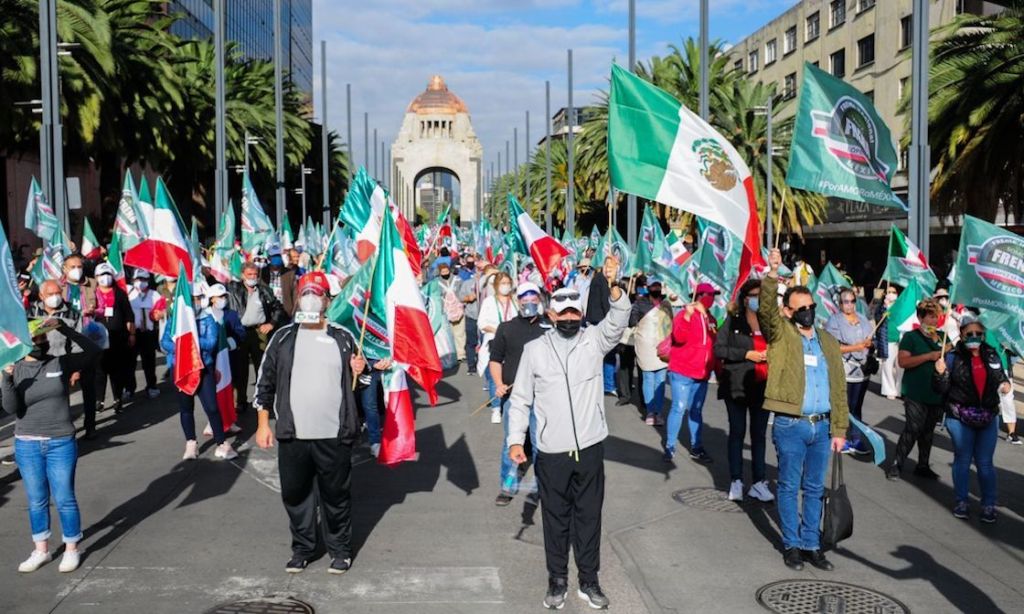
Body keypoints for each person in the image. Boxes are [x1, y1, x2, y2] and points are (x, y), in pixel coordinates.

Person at [507, 257, 629, 610]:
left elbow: (618, 319)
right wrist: (516, 440)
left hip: (590, 448)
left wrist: (614, 285)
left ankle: (588, 581)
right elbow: (520, 400)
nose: (571, 320)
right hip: (552, 452)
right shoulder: (534, 351)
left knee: (590, 519)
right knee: (556, 520)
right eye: (564, 316)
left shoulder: (593, 340)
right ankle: (557, 581)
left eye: (575, 314)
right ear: (551, 316)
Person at [254, 271, 366, 575]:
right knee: (296, 494)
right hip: (293, 435)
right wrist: (263, 424)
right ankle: (302, 549)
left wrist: (361, 365)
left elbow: (364, 381)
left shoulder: (342, 336)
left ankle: (340, 550)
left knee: (336, 495)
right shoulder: (283, 337)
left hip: (334, 434)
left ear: (328, 301)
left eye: (317, 293)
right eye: (305, 292)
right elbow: (265, 384)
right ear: (297, 299)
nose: (311, 298)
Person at [760, 248, 849, 572]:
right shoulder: (781, 334)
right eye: (801, 309)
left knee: (814, 488)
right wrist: (772, 274)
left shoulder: (826, 340)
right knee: (787, 485)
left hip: (822, 427)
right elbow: (767, 311)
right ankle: (792, 544)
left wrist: (840, 429)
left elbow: (839, 387)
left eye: (811, 307)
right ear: (789, 312)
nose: (808, 312)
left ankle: (812, 544)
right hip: (790, 425)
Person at [2, 319, 100, 573]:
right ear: (24, 343)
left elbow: (92, 352)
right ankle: (41, 550)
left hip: (60, 442)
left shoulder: (60, 362)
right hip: (27, 444)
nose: (41, 343)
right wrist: (6, 378)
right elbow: (12, 408)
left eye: (43, 339)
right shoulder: (16, 369)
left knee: (65, 498)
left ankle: (71, 549)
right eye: (35, 339)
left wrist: (63, 328)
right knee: (36, 500)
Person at [933, 312, 1009, 523]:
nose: (974, 337)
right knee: (963, 459)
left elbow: (1000, 376)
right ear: (962, 333)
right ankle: (962, 501)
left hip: (988, 415)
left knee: (985, 463)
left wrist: (1004, 384)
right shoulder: (952, 356)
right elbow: (940, 389)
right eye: (970, 333)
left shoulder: (992, 354)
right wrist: (940, 374)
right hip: (959, 416)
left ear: (983, 334)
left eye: (978, 333)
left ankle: (988, 504)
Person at [161, 284, 238, 461]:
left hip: (204, 368)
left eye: (197, 299)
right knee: (186, 408)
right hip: (182, 370)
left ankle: (221, 443)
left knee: (212, 407)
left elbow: (211, 343)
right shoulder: (175, 321)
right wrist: (182, 346)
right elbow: (165, 343)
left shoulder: (207, 319)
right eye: (191, 299)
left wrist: (189, 341)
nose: (195, 302)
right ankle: (191, 443)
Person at [489, 282, 549, 506]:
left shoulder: (549, 326)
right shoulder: (506, 328)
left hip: (543, 397)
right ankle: (508, 486)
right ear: (518, 299)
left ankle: (545, 486)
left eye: (534, 296)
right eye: (525, 296)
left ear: (540, 299)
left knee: (540, 442)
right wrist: (498, 383)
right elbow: (496, 360)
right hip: (514, 397)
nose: (529, 301)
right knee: (510, 443)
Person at [714, 279, 773, 502]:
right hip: (737, 385)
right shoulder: (733, 319)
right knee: (737, 432)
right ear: (746, 298)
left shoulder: (769, 322)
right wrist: (746, 354)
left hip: (763, 386)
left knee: (759, 435)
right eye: (754, 295)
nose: (758, 299)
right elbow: (719, 348)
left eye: (761, 295)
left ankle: (758, 482)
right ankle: (736, 480)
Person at [888, 299, 947, 481]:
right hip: (915, 391)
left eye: (936, 317)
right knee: (913, 428)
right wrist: (929, 356)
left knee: (928, 430)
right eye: (930, 317)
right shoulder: (911, 337)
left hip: (936, 392)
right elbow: (903, 362)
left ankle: (923, 465)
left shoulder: (944, 338)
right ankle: (897, 463)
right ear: (921, 317)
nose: (934, 321)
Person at [663, 282, 719, 463]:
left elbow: (714, 346)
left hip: (701, 374)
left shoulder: (711, 319)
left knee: (696, 410)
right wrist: (687, 315)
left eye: (713, 296)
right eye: (709, 295)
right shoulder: (684, 314)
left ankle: (697, 447)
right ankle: (670, 446)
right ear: (700, 296)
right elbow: (679, 337)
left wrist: (717, 371)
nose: (712, 299)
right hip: (682, 371)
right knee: (678, 408)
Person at [228, 262, 287, 413]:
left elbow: (277, 308)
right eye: (249, 275)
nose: (253, 278)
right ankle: (240, 401)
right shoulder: (233, 289)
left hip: (259, 333)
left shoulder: (264, 290)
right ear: (243, 275)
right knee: (240, 370)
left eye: (255, 275)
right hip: (240, 333)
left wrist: (271, 324)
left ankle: (264, 400)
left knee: (263, 367)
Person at [825, 288, 875, 455]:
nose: (849, 305)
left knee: (857, 406)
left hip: (862, 371)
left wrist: (869, 344)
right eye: (846, 301)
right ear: (840, 304)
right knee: (842, 405)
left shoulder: (862, 319)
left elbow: (871, 339)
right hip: (844, 369)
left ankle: (856, 438)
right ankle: (840, 437)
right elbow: (833, 347)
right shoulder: (834, 321)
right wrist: (856, 347)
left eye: (852, 301)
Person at [202, 283, 246, 438]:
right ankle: (211, 421)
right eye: (220, 297)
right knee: (211, 391)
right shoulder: (204, 315)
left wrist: (228, 344)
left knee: (228, 387)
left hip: (227, 358)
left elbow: (240, 334)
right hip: (209, 359)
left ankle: (230, 419)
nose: (223, 299)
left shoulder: (231, 314)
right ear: (212, 299)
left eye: (224, 296)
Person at [90, 262, 135, 412]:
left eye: (108, 274)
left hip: (118, 339)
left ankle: (118, 398)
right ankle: (99, 400)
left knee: (117, 371)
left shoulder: (120, 294)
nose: (105, 278)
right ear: (96, 277)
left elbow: (129, 316)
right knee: (99, 371)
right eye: (102, 275)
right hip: (97, 339)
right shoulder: (92, 294)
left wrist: (132, 334)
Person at [630, 277, 673, 425]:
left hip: (662, 346)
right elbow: (631, 321)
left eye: (658, 286)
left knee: (660, 380)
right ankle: (650, 411)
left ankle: (658, 412)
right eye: (653, 286)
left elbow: (671, 324)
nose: (656, 289)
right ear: (648, 288)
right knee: (648, 379)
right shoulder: (640, 303)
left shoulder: (666, 304)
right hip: (646, 346)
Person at [477, 272, 518, 424]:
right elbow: (482, 324)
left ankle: (512, 405)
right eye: (503, 283)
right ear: (496, 286)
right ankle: (496, 407)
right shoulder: (489, 302)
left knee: (512, 374)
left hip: (513, 343)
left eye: (508, 283)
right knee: (496, 375)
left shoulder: (515, 301)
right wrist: (500, 331)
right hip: (494, 341)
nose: (505, 286)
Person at [128, 270, 161, 399]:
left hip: (149, 332)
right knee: (130, 362)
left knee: (149, 362)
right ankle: (130, 388)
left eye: (143, 279)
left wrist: (158, 314)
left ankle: (151, 385)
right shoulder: (130, 294)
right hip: (133, 332)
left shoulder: (155, 295)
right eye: (138, 279)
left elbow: (160, 310)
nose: (140, 282)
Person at [438, 263, 467, 364]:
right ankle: (451, 355)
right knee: (449, 335)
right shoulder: (436, 283)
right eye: (443, 272)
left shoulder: (458, 280)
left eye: (446, 271)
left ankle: (461, 354)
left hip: (458, 309)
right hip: (445, 312)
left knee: (460, 333)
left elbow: (463, 292)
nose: (445, 273)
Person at [878, 286, 903, 399]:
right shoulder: (882, 306)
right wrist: (884, 307)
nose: (891, 294)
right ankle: (889, 389)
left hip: (901, 339)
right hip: (887, 339)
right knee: (887, 365)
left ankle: (899, 389)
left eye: (894, 292)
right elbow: (877, 318)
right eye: (889, 292)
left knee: (900, 366)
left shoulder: (902, 306)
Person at [458, 255, 481, 374]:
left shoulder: (488, 284)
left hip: (484, 317)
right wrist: (468, 298)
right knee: (471, 342)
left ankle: (485, 365)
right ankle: (471, 365)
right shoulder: (467, 283)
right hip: (471, 316)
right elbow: (461, 297)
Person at [262, 244, 298, 317]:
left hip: (285, 313)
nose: (277, 258)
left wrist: (294, 313)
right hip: (267, 312)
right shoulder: (262, 273)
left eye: (278, 256)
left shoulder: (289, 274)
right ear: (269, 258)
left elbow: (295, 295)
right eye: (274, 256)